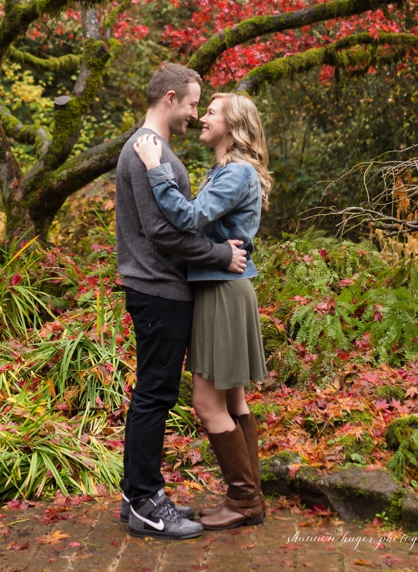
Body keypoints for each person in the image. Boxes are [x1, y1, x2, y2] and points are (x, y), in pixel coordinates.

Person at [115, 63, 246, 540]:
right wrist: (218, 253)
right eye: (192, 102)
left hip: (156, 289)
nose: (195, 112)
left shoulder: (153, 150)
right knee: (155, 395)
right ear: (169, 98)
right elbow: (164, 232)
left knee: (150, 394)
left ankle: (136, 495)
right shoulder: (148, 152)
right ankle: (149, 501)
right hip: (158, 290)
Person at [134, 91, 271, 531]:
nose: (201, 118)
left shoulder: (235, 174)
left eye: (210, 112)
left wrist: (156, 169)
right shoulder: (225, 171)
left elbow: (190, 217)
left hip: (222, 290)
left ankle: (245, 499)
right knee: (233, 398)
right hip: (222, 287)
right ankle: (246, 498)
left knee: (206, 402)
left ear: (232, 124)